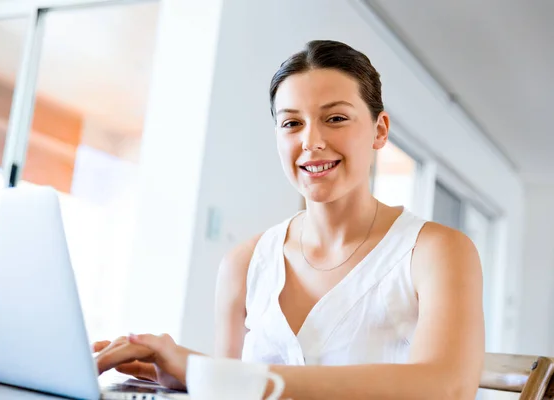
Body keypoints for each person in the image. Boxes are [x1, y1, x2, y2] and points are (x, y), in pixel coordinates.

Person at [95, 40, 484, 399]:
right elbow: (231, 388)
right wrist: (178, 371)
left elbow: (448, 387)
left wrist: (209, 372)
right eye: (292, 123)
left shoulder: (436, 251)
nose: (310, 141)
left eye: (334, 118)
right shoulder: (244, 263)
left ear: (379, 131)